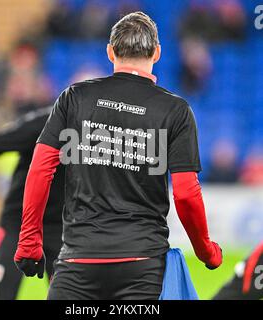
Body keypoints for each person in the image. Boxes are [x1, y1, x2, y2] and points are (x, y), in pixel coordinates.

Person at [14, 12, 222, 300]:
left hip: (78, 262)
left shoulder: (73, 98)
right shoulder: (175, 110)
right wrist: (205, 250)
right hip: (142, 265)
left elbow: (39, 170)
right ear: (157, 53)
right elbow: (186, 194)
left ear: (110, 52)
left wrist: (28, 241)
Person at [0, 107, 64, 300]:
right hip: (18, 225)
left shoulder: (99, 133)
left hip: (62, 227)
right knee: (4, 294)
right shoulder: (43, 123)